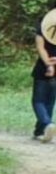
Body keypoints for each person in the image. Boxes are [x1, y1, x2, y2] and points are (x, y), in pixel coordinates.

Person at [30, 12, 56, 143]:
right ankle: (40, 131)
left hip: (43, 68)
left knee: (38, 101)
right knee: (50, 102)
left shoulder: (43, 27)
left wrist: (48, 64)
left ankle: (47, 123)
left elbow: (41, 48)